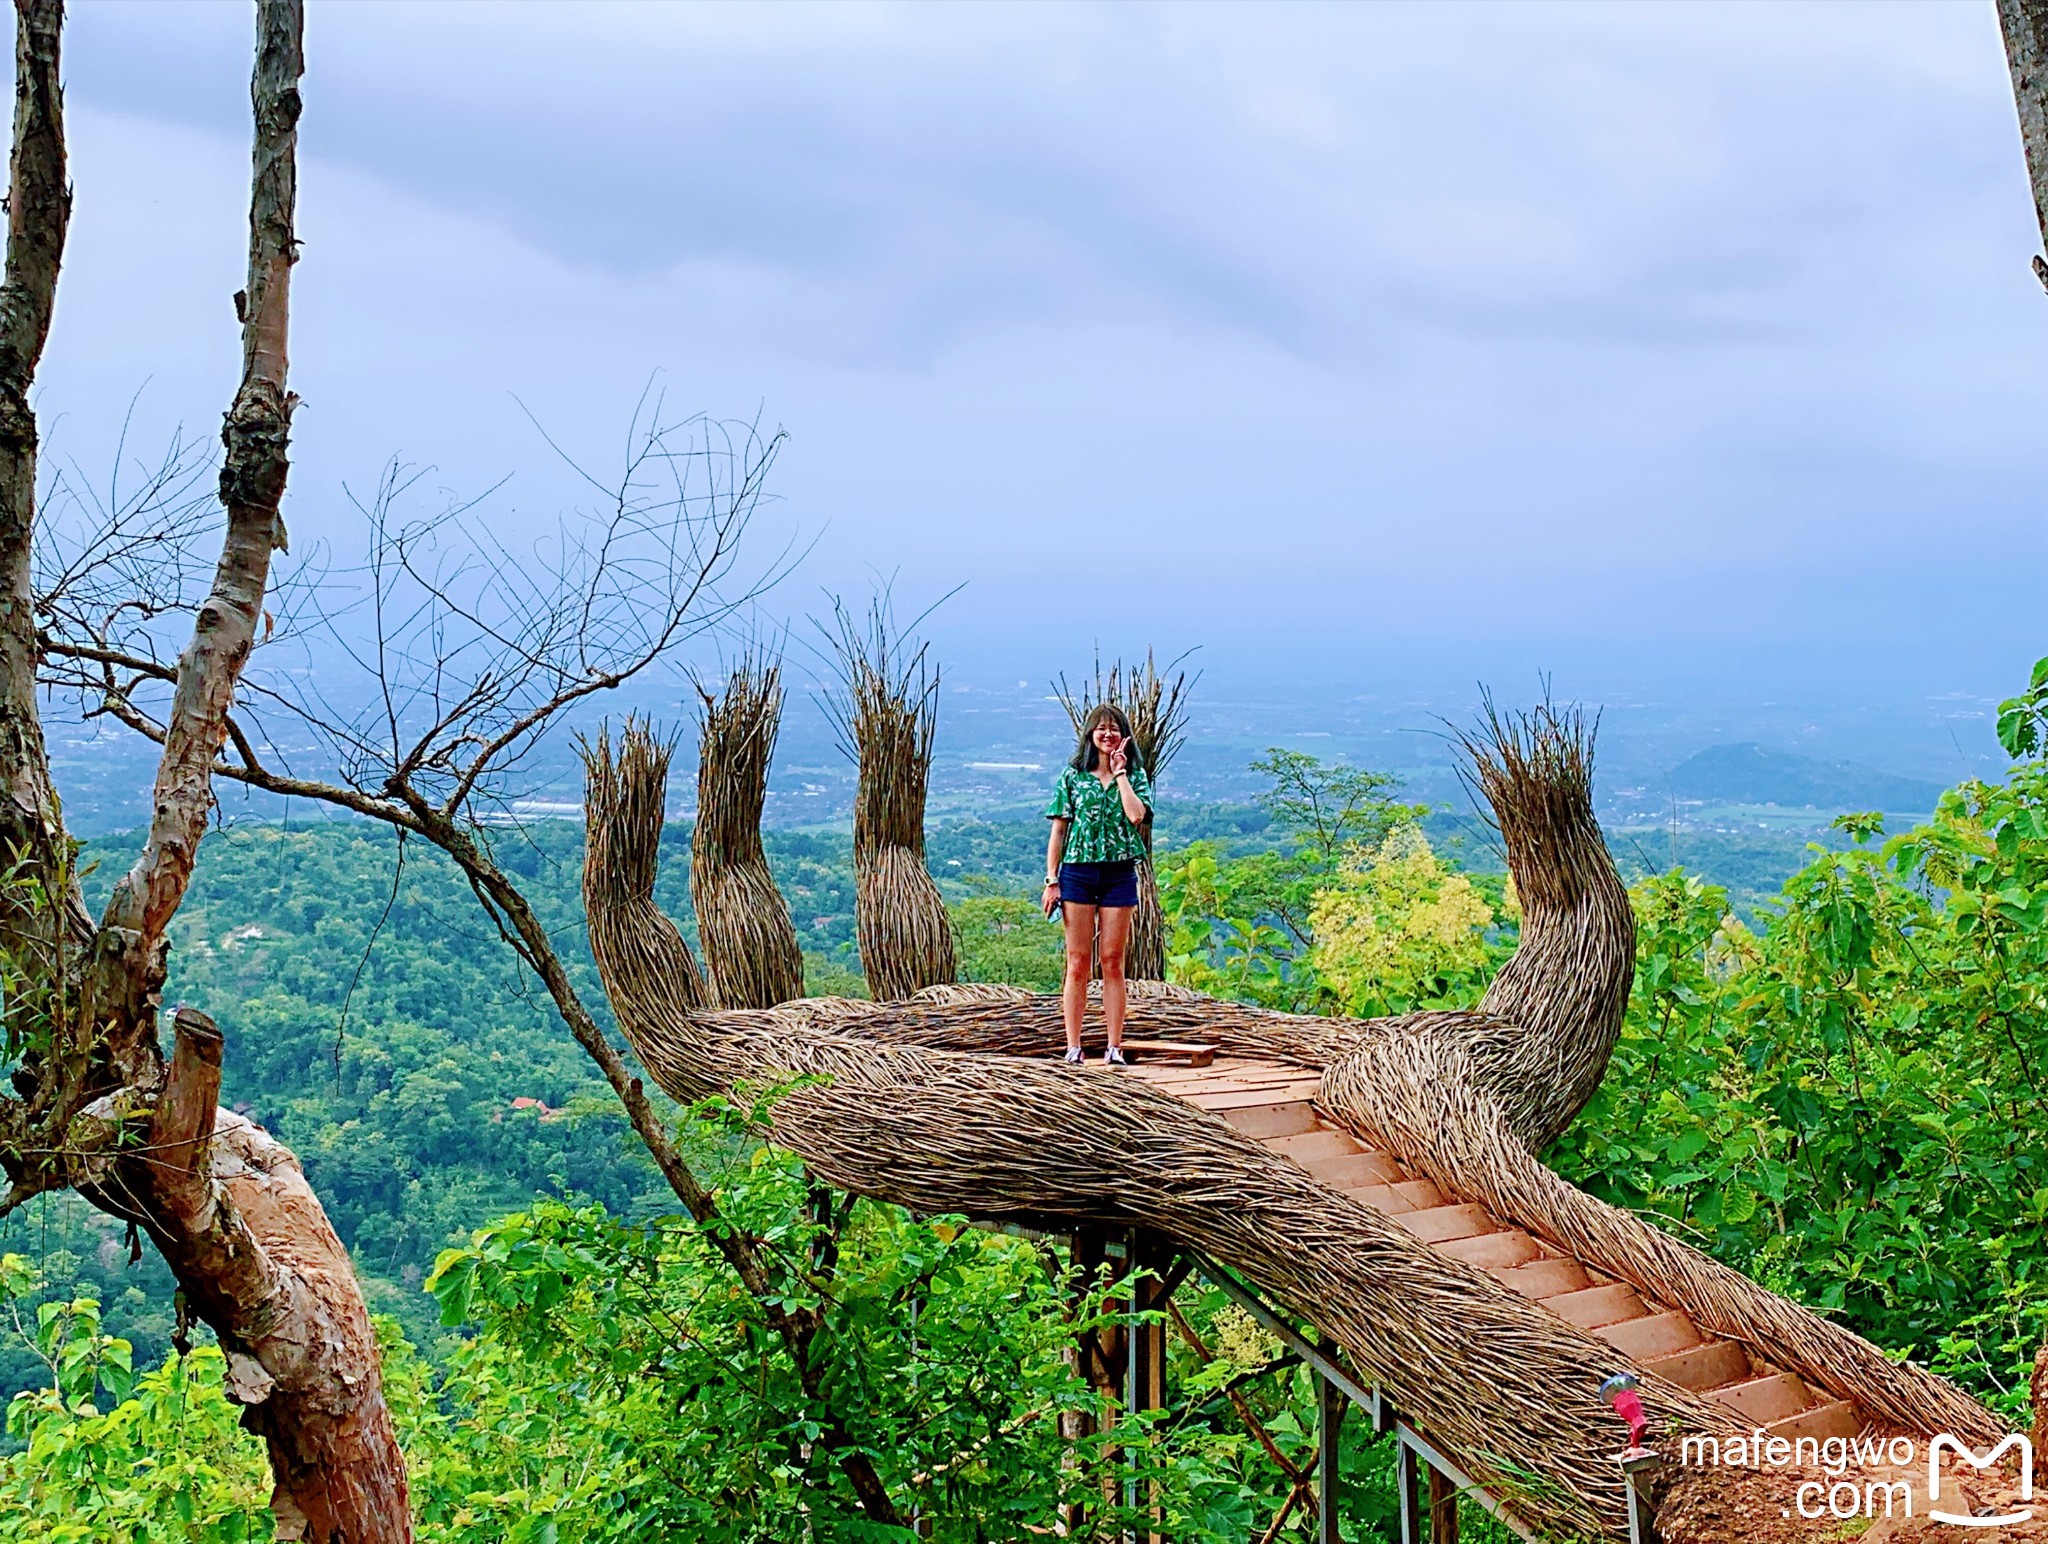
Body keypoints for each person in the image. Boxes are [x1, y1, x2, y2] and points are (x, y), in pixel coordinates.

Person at [1042, 704, 1153, 1066]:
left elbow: (1137, 816)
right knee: (1077, 961)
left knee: (1113, 961)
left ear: (1124, 736)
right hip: (1077, 872)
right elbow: (1058, 830)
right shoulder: (1072, 777)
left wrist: (1120, 774)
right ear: (1090, 734)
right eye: (1101, 729)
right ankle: (1073, 1045)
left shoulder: (1135, 776)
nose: (1107, 735)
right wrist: (1052, 880)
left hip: (1118, 872)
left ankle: (1114, 1046)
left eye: (1115, 729)